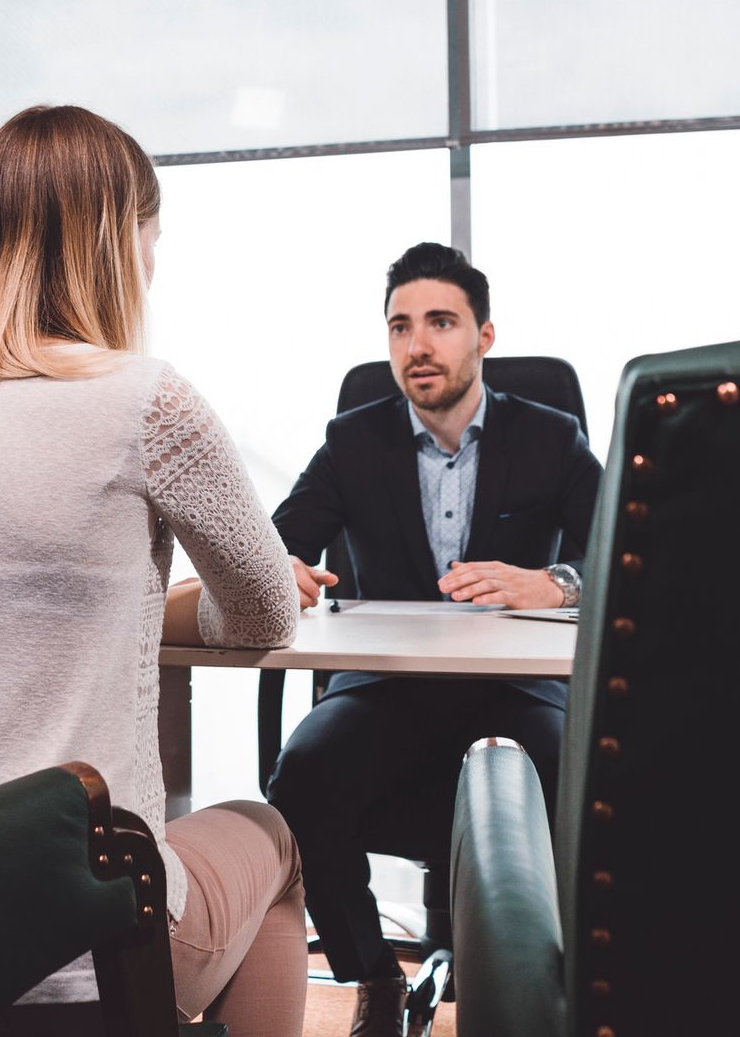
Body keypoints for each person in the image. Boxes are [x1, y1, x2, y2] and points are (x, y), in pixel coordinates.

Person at [0, 105, 307, 1036]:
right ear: (119, 242)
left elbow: (16, 590)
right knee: (273, 844)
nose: (157, 262)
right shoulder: (146, 402)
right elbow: (266, 614)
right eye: (153, 235)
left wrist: (134, 607)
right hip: (76, 937)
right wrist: (180, 604)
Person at [267, 241, 601, 1037]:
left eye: (441, 322)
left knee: (588, 783)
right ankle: (373, 973)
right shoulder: (353, 440)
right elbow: (276, 544)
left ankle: (557, 990)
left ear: (484, 336)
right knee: (304, 772)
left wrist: (554, 582)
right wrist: (283, 569)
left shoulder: (551, 435)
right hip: (387, 690)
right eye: (400, 326)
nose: (418, 345)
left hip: (514, 689)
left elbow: (615, 552)